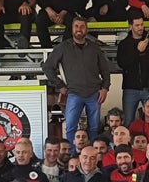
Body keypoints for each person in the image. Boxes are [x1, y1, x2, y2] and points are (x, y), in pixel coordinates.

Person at [43, 16, 112, 147]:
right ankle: (72, 156)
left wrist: (105, 88)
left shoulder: (95, 48)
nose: (79, 29)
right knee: (70, 128)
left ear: (86, 29)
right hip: (73, 93)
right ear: (72, 29)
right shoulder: (63, 47)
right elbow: (47, 67)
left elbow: (105, 70)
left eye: (82, 26)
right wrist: (60, 86)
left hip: (94, 94)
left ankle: (93, 154)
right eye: (76, 26)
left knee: (94, 129)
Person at [118, 17, 149, 124]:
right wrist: (137, 51)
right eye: (137, 25)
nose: (140, 27)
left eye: (142, 24)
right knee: (128, 122)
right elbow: (122, 63)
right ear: (130, 26)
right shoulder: (124, 44)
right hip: (130, 89)